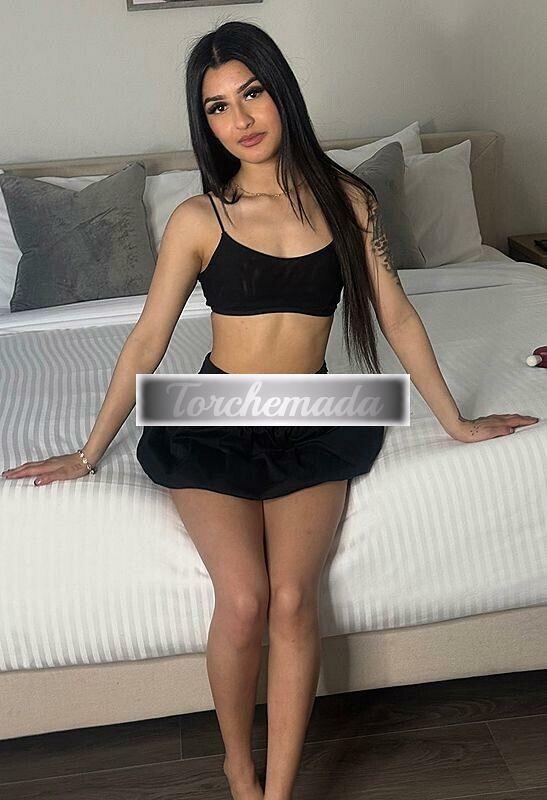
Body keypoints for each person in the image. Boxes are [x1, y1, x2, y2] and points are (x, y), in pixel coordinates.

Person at [2, 20, 538, 800]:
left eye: (250, 93)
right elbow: (147, 340)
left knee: (292, 599)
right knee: (245, 597)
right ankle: (237, 765)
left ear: (280, 92)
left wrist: (455, 422)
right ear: (206, 123)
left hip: (314, 410)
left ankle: (276, 793)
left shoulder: (350, 201)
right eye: (217, 106)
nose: (240, 118)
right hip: (204, 412)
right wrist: (87, 453)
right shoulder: (198, 218)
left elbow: (395, 316)